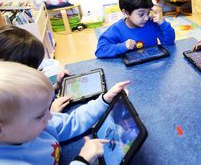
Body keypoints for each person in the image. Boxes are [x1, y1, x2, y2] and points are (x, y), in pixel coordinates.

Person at [0, 61, 130, 164]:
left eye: (47, 108)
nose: (50, 115)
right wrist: (83, 160)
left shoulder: (41, 123)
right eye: (40, 115)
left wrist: (104, 100)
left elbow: (73, 120)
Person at [0, 25, 70, 113]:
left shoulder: (15, 83)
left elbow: (37, 98)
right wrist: (52, 113)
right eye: (31, 69)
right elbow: (27, 124)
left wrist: (56, 87)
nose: (34, 72)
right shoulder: (7, 99)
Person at [95, 0, 175, 58]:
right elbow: (100, 51)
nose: (146, 18)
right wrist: (122, 46)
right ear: (126, 13)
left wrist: (162, 23)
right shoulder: (117, 29)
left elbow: (169, 41)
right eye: (141, 14)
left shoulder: (152, 24)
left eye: (148, 13)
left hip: (153, 64)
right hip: (130, 71)